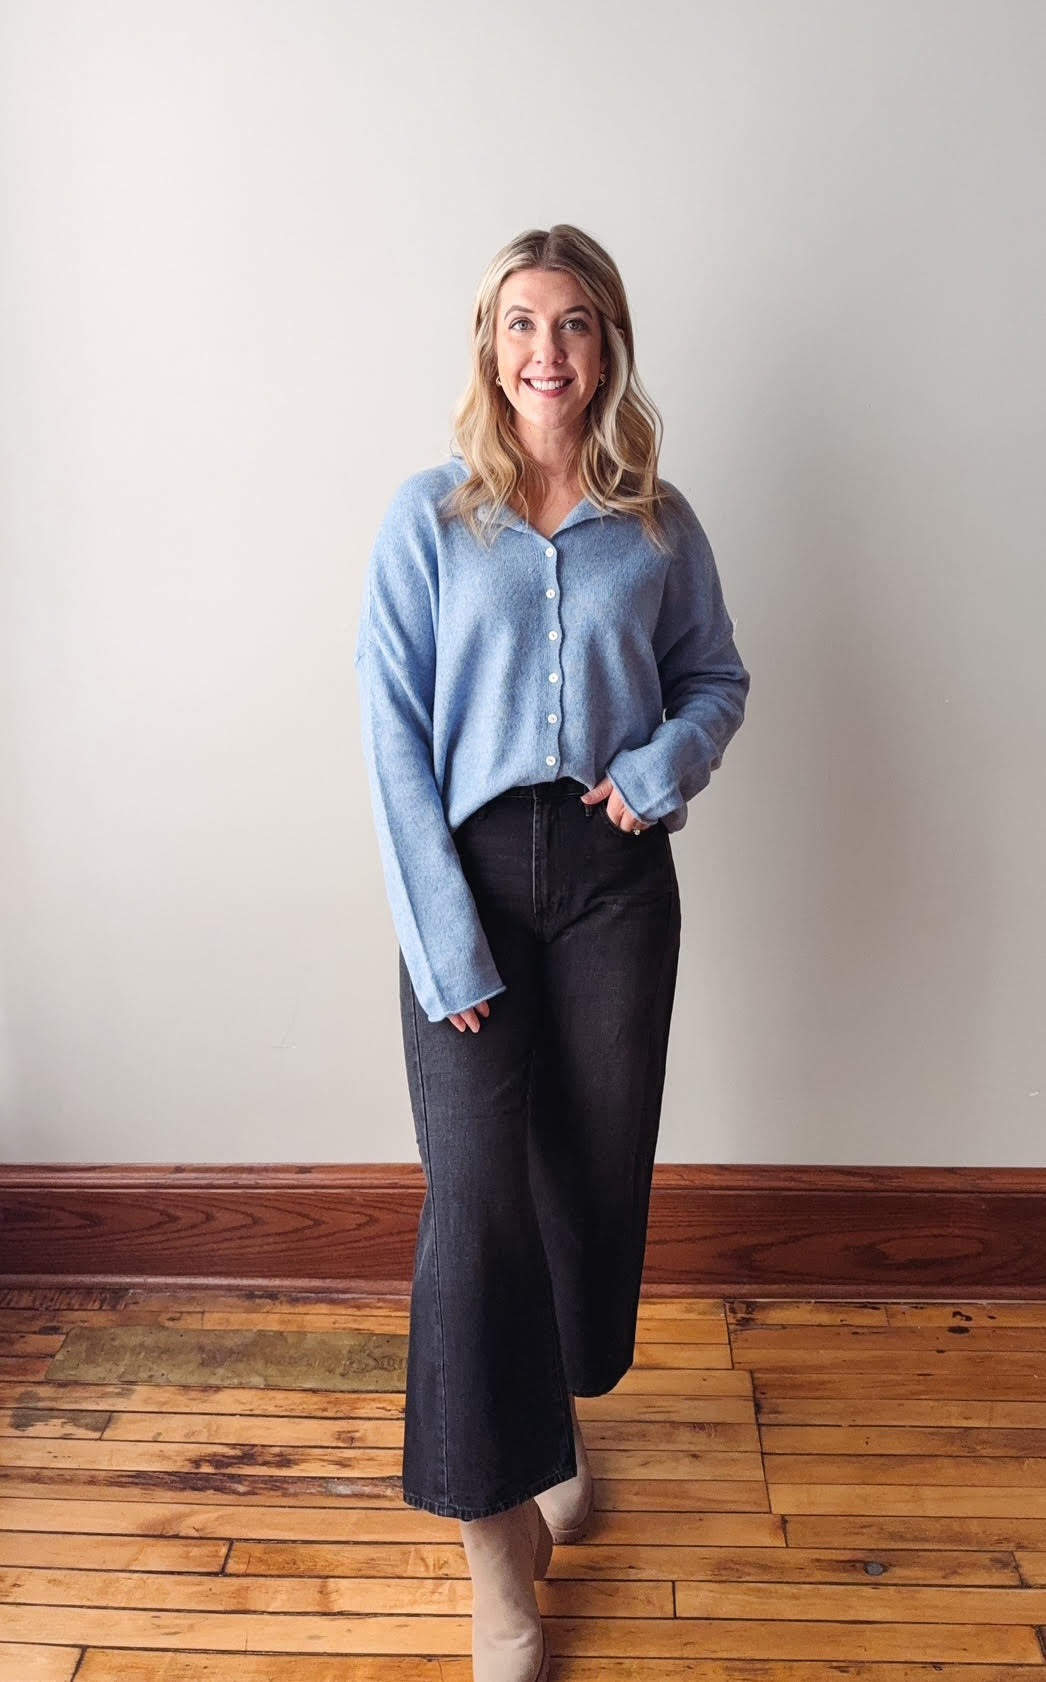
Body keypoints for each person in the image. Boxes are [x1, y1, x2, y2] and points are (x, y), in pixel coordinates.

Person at [354, 223, 750, 1682]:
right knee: (473, 1203)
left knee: (587, 1178)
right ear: (490, 346)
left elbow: (716, 678)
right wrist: (444, 943)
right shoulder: (427, 519)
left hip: (612, 884)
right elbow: (390, 736)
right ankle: (494, 1547)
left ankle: (554, 1416)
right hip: (464, 880)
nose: (546, 350)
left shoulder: (658, 523)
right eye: (521, 322)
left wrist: (657, 770)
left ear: (608, 345)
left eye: (573, 322)